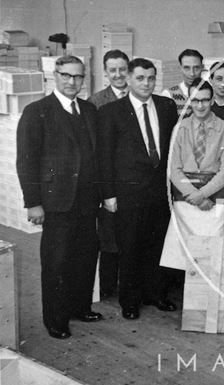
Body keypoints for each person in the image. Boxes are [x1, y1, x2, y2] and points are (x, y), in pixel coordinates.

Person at [16, 55, 103, 339]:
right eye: (66, 75)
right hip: (56, 201)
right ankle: (55, 318)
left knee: (85, 257)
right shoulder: (37, 111)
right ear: (55, 75)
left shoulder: (89, 110)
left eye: (78, 77)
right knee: (56, 261)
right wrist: (33, 202)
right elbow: (26, 161)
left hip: (87, 200)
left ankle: (80, 307)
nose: (72, 82)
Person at [98, 58, 179, 320]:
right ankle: (130, 301)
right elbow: (105, 157)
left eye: (151, 78)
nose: (146, 83)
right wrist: (108, 194)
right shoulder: (111, 112)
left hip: (160, 193)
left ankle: (155, 294)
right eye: (141, 78)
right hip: (128, 194)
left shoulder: (167, 106)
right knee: (130, 248)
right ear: (129, 79)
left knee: (157, 245)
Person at [161, 80, 224, 269]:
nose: (200, 105)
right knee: (184, 255)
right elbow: (173, 168)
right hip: (186, 200)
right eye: (195, 100)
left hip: (213, 200)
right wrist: (192, 195)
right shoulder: (179, 128)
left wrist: (201, 195)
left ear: (212, 101)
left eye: (205, 100)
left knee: (213, 256)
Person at [88, 48, 130, 300]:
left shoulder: (140, 95)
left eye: (122, 69)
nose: (118, 75)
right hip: (109, 177)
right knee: (109, 236)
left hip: (132, 178)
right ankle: (107, 286)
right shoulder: (96, 102)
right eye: (112, 70)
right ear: (105, 73)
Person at [161, 48, 204, 117]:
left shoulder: (211, 94)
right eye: (187, 68)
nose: (192, 73)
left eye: (196, 68)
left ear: (202, 68)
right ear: (180, 68)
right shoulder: (168, 95)